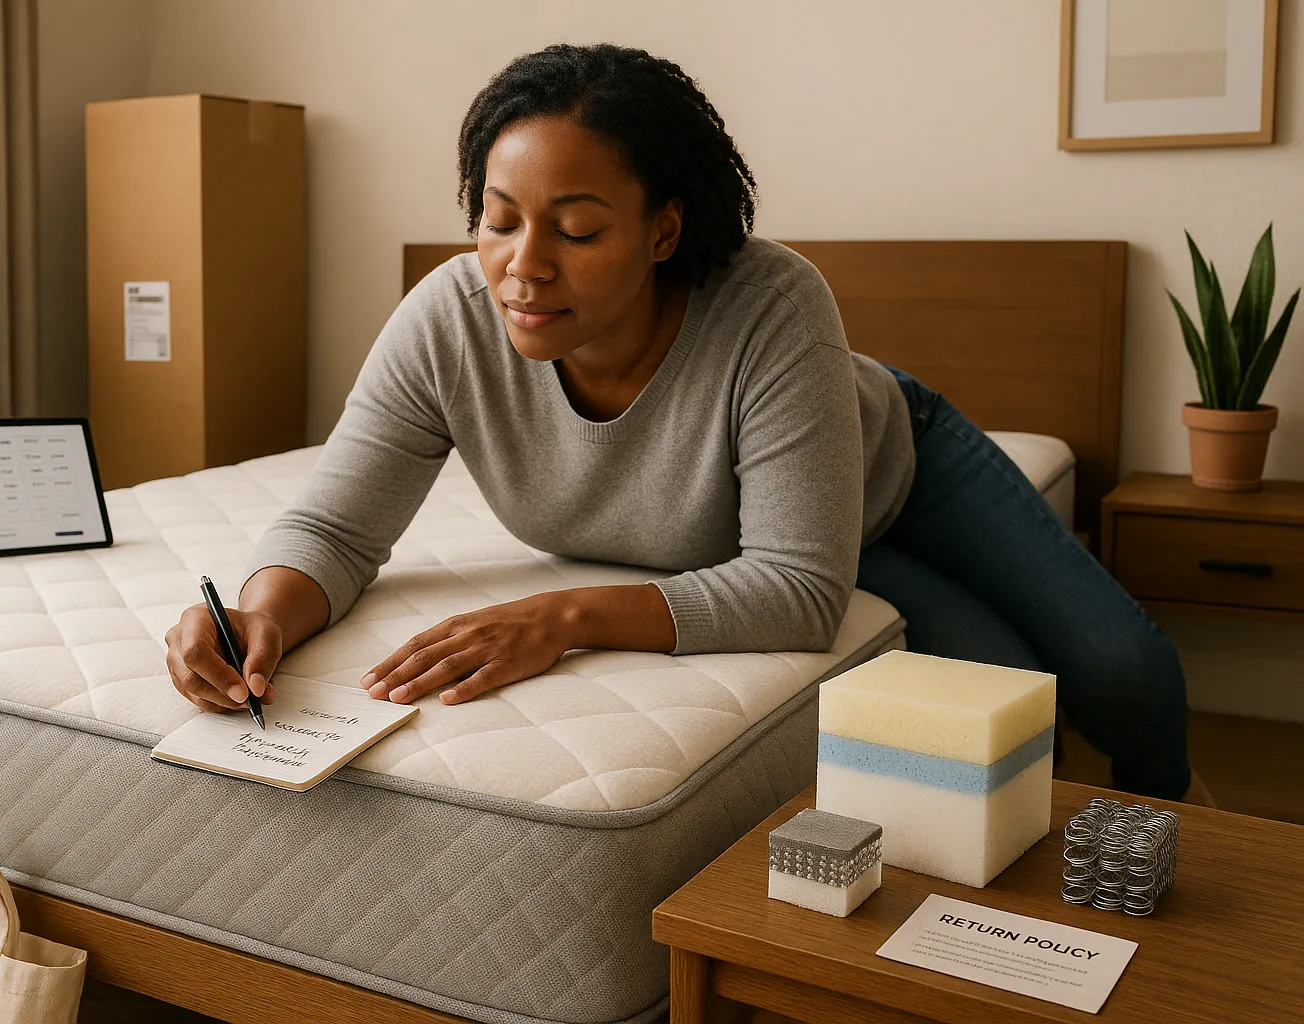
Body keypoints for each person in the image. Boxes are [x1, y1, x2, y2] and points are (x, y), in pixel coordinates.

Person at [164, 43, 1200, 802]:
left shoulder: (773, 303)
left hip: (898, 471)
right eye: (498, 218)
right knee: (1014, 698)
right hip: (777, 538)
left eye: (576, 230)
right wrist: (263, 610)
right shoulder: (450, 320)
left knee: (1121, 672)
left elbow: (797, 588)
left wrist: (564, 619)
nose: (524, 265)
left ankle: (1182, 828)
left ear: (665, 228)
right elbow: (339, 530)